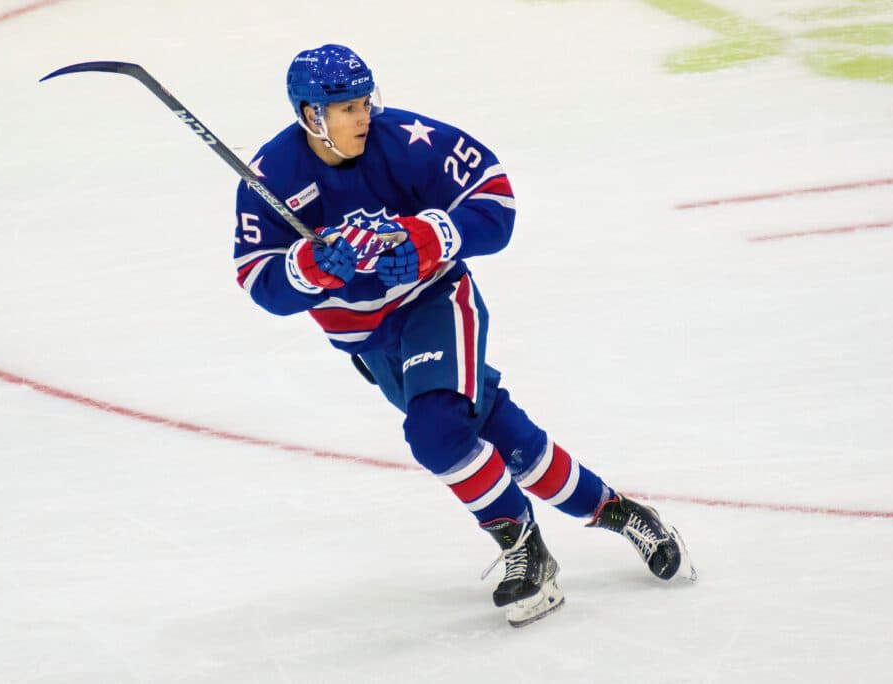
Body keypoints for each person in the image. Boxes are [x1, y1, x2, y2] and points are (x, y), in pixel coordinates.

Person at [233, 44, 696, 627]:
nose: (363, 117)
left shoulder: (407, 141)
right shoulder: (271, 177)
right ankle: (620, 511)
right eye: (346, 108)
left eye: (363, 102)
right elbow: (261, 282)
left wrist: (426, 241)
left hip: (436, 303)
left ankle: (524, 547)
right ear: (310, 115)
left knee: (436, 432)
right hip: (370, 344)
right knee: (494, 427)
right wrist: (314, 267)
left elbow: (495, 204)